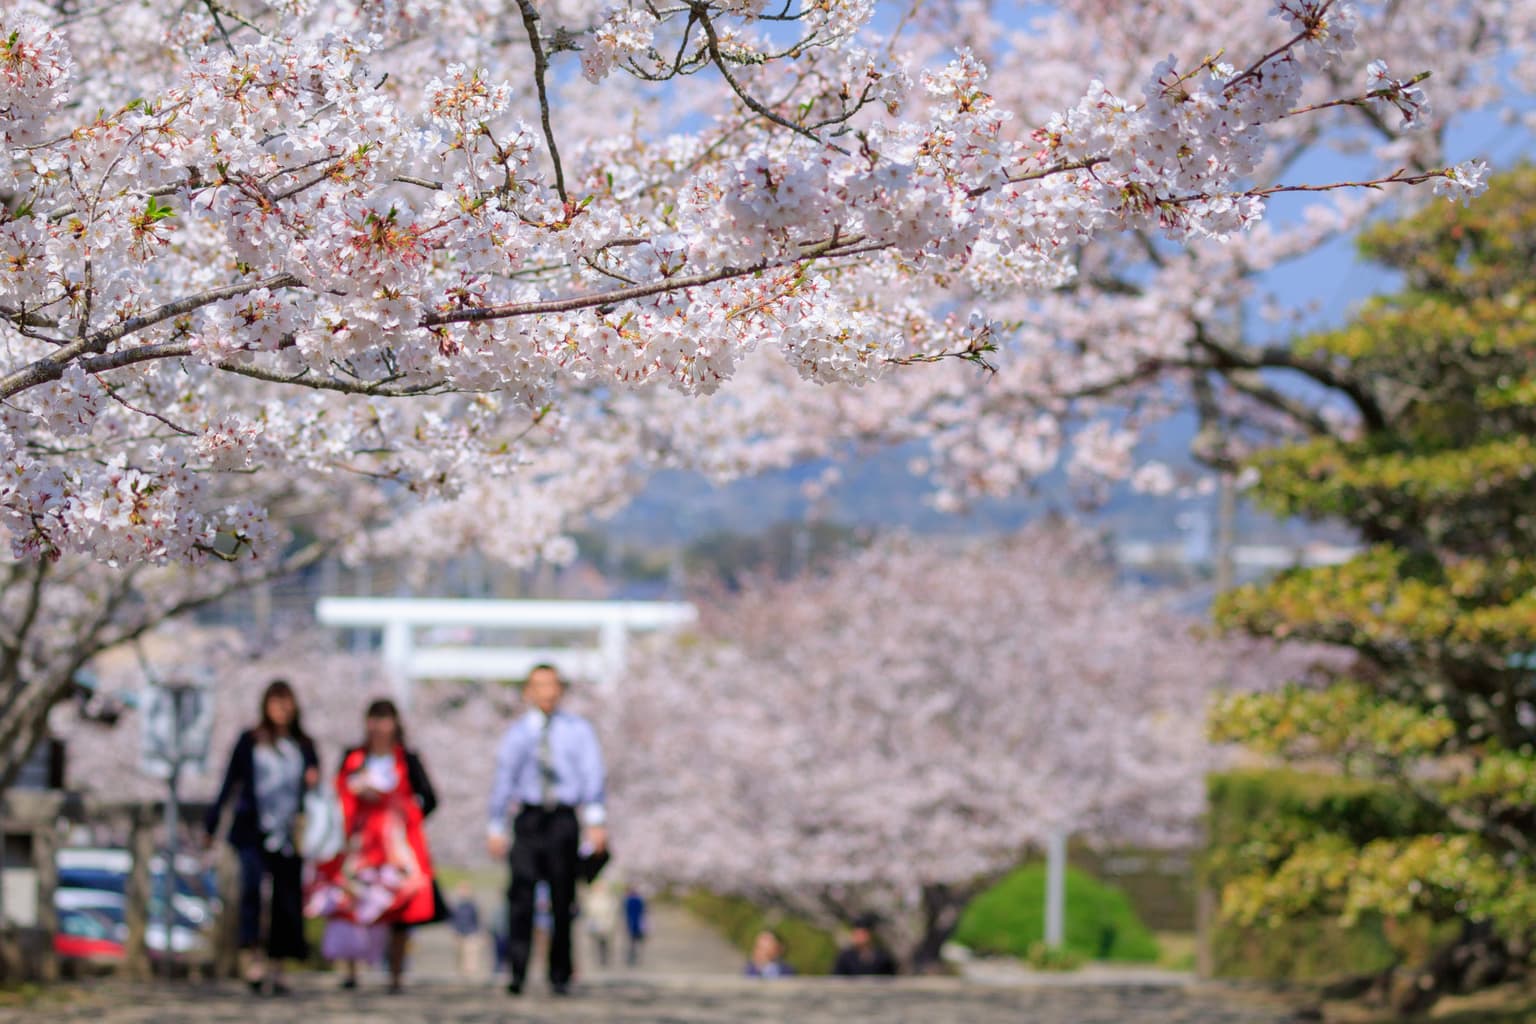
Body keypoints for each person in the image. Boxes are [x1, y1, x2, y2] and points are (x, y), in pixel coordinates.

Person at [486, 664, 607, 997]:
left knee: (562, 897)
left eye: (552, 685)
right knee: (520, 896)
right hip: (528, 819)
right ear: (528, 691)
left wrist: (596, 821)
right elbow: (503, 779)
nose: (547, 692)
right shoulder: (518, 732)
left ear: (561, 690)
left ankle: (560, 973)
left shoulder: (579, 730)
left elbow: (592, 775)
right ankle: (517, 969)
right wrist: (495, 825)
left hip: (564, 819)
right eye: (539, 685)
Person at [309, 698, 439, 995]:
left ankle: (395, 974)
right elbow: (335, 794)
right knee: (351, 902)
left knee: (399, 907)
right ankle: (351, 970)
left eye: (385, 719)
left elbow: (429, 798)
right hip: (359, 844)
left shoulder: (407, 759)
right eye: (374, 719)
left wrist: (402, 813)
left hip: (396, 848)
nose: (379, 726)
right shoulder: (353, 757)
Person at [204, 679, 319, 996]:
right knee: (252, 891)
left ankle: (278, 966)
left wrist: (313, 779)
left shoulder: (304, 745)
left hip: (290, 833)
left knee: (285, 899)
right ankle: (253, 958)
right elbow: (230, 783)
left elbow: (316, 785)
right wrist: (211, 826)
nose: (282, 709)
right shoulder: (250, 740)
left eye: (286, 702)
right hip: (252, 831)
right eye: (276, 702)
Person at [832, 913, 899, 976]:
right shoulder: (846, 957)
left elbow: (890, 977)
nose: (859, 937)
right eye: (857, 934)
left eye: (862, 934)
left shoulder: (882, 956)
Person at [583, 876, 620, 969]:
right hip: (595, 923)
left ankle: (605, 958)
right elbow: (588, 910)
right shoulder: (592, 897)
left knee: (605, 942)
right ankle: (598, 958)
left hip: (606, 923)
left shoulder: (609, 898)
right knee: (597, 942)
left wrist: (610, 922)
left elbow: (612, 911)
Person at [450, 882, 483, 978]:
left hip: (471, 932)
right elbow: (454, 920)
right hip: (459, 933)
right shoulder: (457, 906)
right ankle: (461, 972)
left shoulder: (472, 906)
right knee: (459, 954)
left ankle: (470, 973)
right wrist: (454, 931)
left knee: (471, 953)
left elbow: (477, 919)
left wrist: (479, 933)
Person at [623, 886, 646, 966]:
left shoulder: (628, 901)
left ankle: (632, 958)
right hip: (639, 924)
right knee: (638, 943)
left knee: (632, 943)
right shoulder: (639, 900)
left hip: (632, 924)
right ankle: (636, 958)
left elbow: (626, 913)